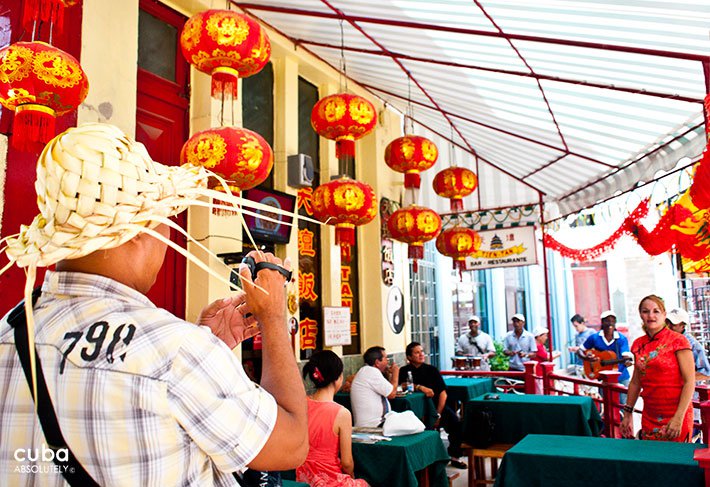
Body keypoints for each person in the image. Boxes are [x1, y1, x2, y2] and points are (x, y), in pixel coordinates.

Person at [0, 124, 308, 485]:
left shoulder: (9, 329)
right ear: (141, 227)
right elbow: (292, 443)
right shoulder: (176, 351)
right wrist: (273, 316)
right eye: (166, 219)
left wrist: (207, 342)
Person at [621, 295, 695, 442]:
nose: (651, 315)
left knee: (676, 462)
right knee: (652, 461)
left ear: (664, 314)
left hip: (676, 415)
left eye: (656, 311)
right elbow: (636, 382)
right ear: (640, 314)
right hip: (650, 415)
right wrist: (628, 413)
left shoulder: (678, 341)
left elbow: (689, 381)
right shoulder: (638, 344)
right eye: (645, 311)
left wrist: (678, 417)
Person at [298, 351, 369, 487]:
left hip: (303, 476)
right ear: (339, 377)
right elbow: (347, 462)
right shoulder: (342, 413)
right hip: (330, 479)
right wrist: (352, 477)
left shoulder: (302, 404)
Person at [398, 342, 467, 469]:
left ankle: (455, 457)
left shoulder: (431, 370)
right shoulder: (404, 371)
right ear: (409, 357)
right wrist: (419, 387)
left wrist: (438, 414)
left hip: (436, 407)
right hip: (414, 410)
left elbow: (443, 394)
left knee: (456, 424)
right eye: (417, 352)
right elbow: (399, 387)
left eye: (422, 351)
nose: (421, 354)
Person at [578, 310, 633, 404]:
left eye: (613, 321)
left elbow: (625, 356)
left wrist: (627, 361)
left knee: (623, 404)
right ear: (602, 322)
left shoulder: (621, 339)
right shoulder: (595, 337)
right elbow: (580, 350)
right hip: (603, 377)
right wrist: (587, 358)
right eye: (607, 320)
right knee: (606, 403)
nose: (610, 323)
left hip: (621, 376)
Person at [350, 346, 399, 427]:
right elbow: (392, 394)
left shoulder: (368, 371)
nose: (387, 362)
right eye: (385, 358)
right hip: (373, 425)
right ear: (377, 362)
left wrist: (389, 374)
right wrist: (396, 373)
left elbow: (387, 388)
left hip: (380, 423)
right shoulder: (370, 372)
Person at [667, 308, 710, 378]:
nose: (668, 326)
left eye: (673, 324)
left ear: (682, 326)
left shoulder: (693, 345)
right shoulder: (663, 341)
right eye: (667, 322)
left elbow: (706, 373)